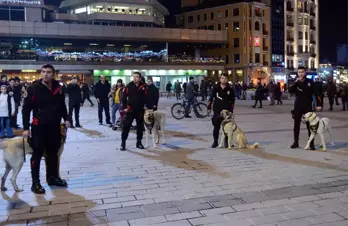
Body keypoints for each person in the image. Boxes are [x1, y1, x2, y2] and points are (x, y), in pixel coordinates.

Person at [22, 64, 70, 194]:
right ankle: (35, 183)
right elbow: (26, 109)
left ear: (53, 73)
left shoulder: (58, 88)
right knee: (37, 154)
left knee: (53, 153)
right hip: (39, 126)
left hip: (54, 126)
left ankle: (52, 178)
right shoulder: (33, 88)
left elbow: (62, 106)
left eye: (48, 72)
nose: (45, 74)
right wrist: (26, 128)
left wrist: (66, 118)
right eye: (43, 72)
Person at [288, 66, 321, 150]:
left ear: (305, 73)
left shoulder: (310, 82)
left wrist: (318, 104)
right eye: (299, 72)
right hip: (298, 106)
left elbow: (317, 93)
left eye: (302, 72)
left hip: (307, 106)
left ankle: (311, 143)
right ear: (297, 73)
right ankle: (296, 142)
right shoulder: (295, 82)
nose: (301, 73)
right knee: (296, 125)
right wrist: (295, 82)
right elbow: (290, 90)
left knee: (310, 125)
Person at [120, 72, 147, 151]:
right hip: (130, 110)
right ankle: (123, 143)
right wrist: (124, 108)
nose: (134, 78)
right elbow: (123, 98)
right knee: (126, 127)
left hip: (140, 111)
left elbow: (147, 97)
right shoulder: (128, 86)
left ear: (139, 78)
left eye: (136, 77)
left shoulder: (144, 87)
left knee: (140, 128)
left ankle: (139, 142)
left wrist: (147, 107)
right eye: (134, 76)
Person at [208, 74, 235, 148]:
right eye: (222, 78)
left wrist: (231, 111)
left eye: (225, 78)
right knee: (216, 127)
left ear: (227, 79)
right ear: (220, 79)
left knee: (227, 127)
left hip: (227, 112)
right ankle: (215, 141)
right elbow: (211, 98)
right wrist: (209, 107)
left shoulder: (230, 89)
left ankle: (226, 142)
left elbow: (232, 101)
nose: (224, 79)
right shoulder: (215, 88)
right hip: (217, 110)